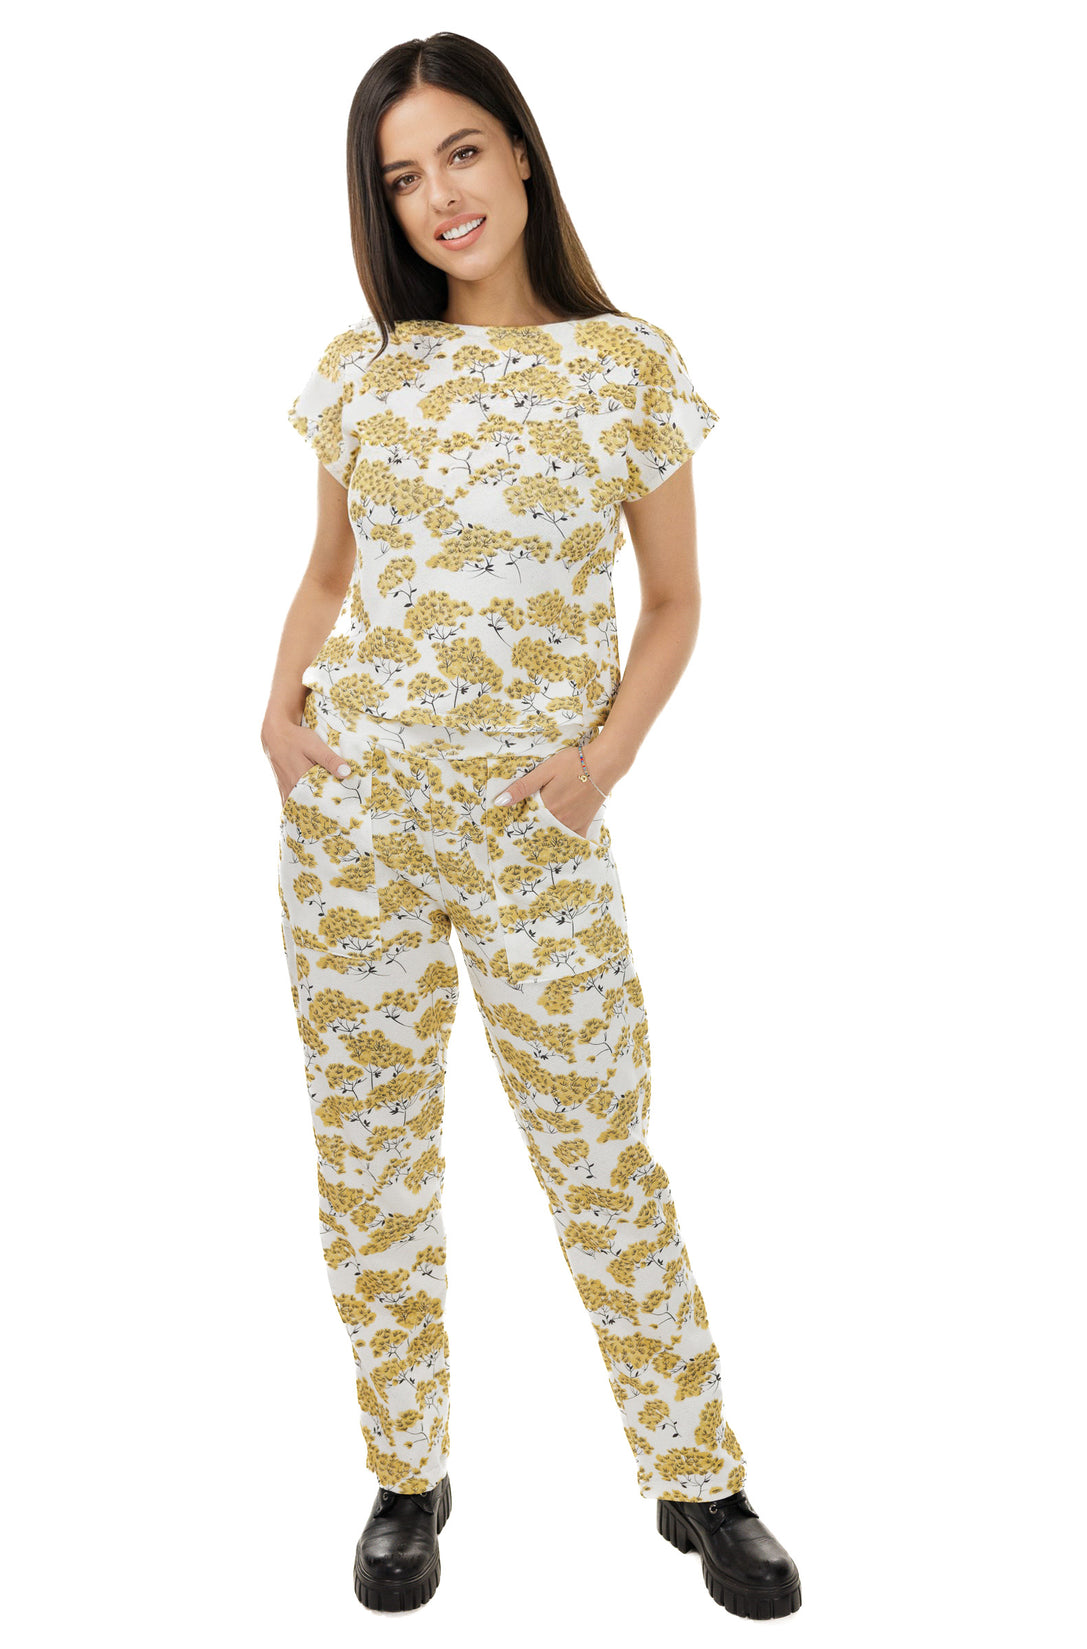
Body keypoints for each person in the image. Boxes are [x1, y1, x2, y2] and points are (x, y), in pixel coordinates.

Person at [262, 29, 801, 1620]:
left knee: (598, 1147)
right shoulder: (364, 370)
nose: (440, 197)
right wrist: (278, 717)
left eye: (460, 153)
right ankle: (405, 1472)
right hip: (355, 825)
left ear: (517, 153)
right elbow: (328, 574)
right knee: (370, 1156)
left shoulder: (624, 364)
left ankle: (698, 1473)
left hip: (533, 828)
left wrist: (602, 761)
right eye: (401, 178)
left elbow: (677, 600)